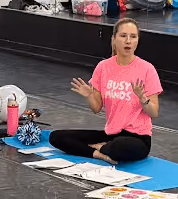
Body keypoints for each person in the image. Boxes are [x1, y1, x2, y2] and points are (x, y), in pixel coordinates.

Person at [51, 17, 162, 164]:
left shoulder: (147, 69)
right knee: (56, 137)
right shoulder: (103, 67)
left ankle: (101, 148)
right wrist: (89, 96)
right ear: (114, 39)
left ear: (137, 41)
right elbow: (96, 108)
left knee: (121, 146)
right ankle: (99, 153)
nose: (128, 41)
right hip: (110, 135)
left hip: (138, 138)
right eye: (123, 36)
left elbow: (154, 113)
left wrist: (143, 98)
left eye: (133, 37)